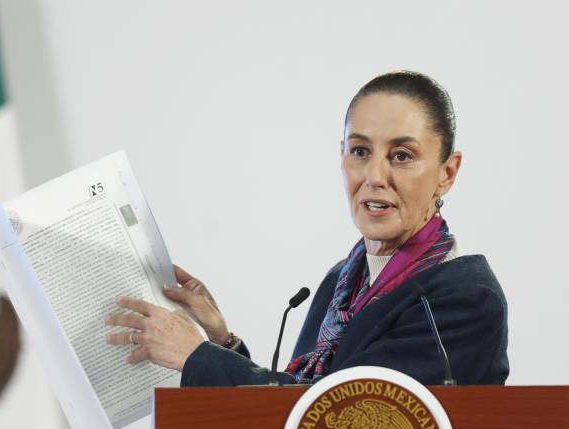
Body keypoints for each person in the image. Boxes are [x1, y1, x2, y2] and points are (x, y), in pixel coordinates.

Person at [105, 71, 509, 386]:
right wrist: (221, 341)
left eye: (401, 156)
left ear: (447, 172)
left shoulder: (464, 297)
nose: (375, 175)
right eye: (360, 151)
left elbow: (343, 415)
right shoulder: (342, 279)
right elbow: (300, 400)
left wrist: (195, 356)